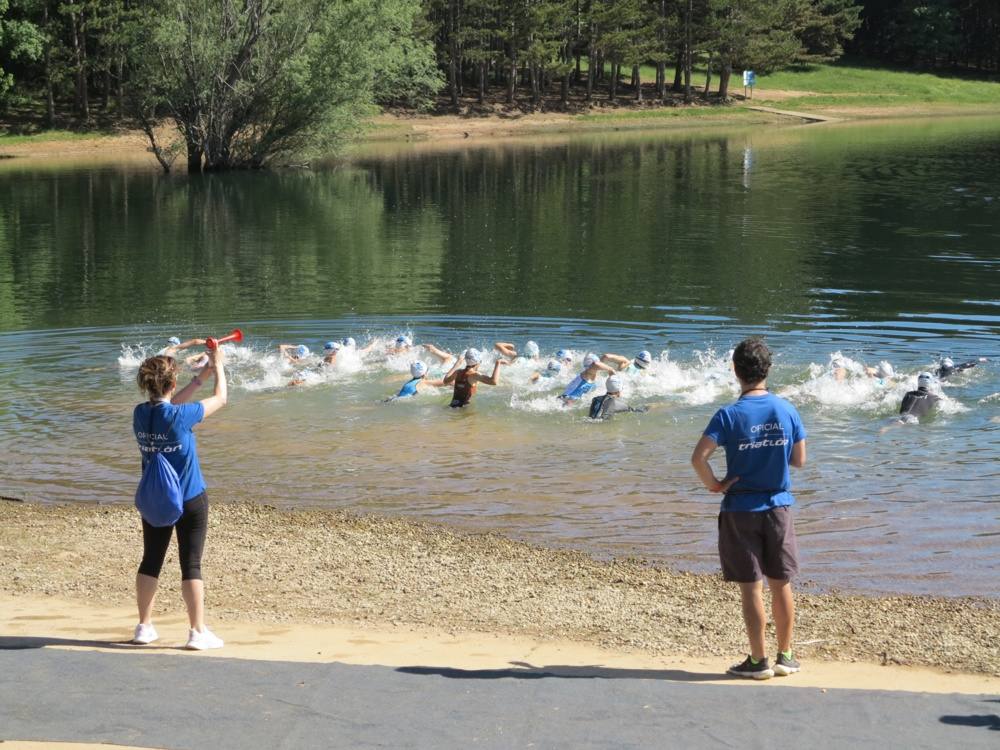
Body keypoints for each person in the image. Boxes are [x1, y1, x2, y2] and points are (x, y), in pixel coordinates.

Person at [690, 338, 807, 680]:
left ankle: (759, 661)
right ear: (768, 370)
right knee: (781, 583)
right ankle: (786, 655)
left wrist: (714, 484)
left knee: (751, 587)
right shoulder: (787, 409)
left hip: (740, 508)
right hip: (778, 507)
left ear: (736, 372)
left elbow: (698, 458)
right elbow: (799, 461)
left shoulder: (728, 414)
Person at [132, 347, 228, 650]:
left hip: (154, 499)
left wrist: (202, 376)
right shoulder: (181, 416)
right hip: (189, 499)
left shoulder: (140, 414)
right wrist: (219, 367)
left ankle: (144, 627)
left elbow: (166, 406)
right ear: (172, 384)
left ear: (147, 384)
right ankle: (197, 632)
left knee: (150, 560)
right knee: (191, 564)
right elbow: (222, 399)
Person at [443, 349, 507, 407]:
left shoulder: (458, 372)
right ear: (477, 362)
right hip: (463, 410)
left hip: (451, 406)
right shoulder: (474, 375)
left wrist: (457, 363)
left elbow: (445, 381)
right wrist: (498, 363)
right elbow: (493, 381)